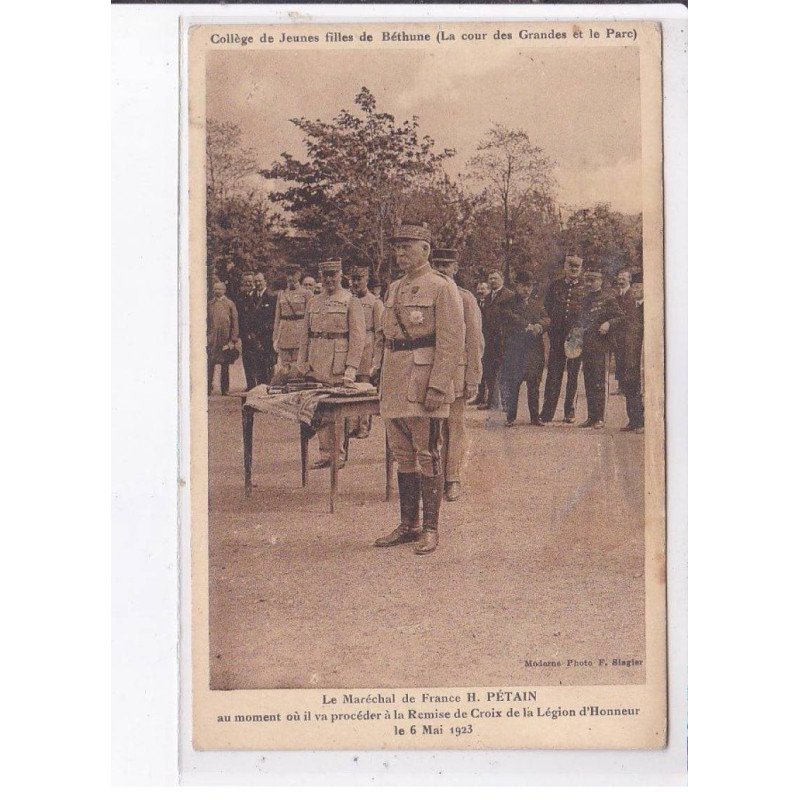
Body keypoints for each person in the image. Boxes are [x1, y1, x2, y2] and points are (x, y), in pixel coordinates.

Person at [375, 223, 464, 555]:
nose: (400, 253)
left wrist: (439, 385)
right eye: (397, 248)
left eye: (407, 247)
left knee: (427, 454)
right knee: (402, 456)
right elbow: (384, 337)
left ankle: (430, 529)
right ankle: (408, 524)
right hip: (395, 381)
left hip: (424, 381)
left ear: (426, 249)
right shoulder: (394, 288)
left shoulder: (442, 287)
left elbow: (451, 341)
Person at [296, 259, 366, 469]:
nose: (329, 280)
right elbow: (305, 335)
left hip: (338, 362)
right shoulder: (313, 302)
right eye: (325, 275)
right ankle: (326, 453)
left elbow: (358, 337)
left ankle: (338, 454)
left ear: (341, 275)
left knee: (336, 411)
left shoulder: (350, 300)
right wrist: (302, 362)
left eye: (333, 275)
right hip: (316, 361)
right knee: (318, 408)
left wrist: (351, 367)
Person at [431, 248, 484, 502]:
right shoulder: (427, 295)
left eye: (447, 265)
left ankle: (452, 478)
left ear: (455, 268)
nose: (442, 270)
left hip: (457, 373)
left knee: (455, 426)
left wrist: (473, 376)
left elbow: (474, 340)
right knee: (432, 427)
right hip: (430, 371)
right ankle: (433, 477)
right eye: (437, 265)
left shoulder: (464, 298)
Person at [573, 263, 623, 429]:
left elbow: (620, 317)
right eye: (587, 280)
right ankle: (591, 417)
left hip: (601, 346)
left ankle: (600, 418)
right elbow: (580, 321)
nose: (589, 283)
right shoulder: (585, 299)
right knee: (588, 381)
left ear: (600, 281)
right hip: (586, 346)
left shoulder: (608, 299)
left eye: (593, 280)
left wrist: (608, 323)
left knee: (599, 382)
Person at [499, 270, 551, 427]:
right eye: (523, 286)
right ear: (517, 286)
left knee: (534, 385)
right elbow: (509, 317)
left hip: (534, 351)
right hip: (515, 351)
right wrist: (527, 325)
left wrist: (539, 326)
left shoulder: (537, 304)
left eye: (529, 286)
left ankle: (535, 417)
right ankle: (510, 417)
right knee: (513, 384)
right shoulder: (507, 303)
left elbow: (547, 319)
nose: (526, 289)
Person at [540, 255, 585, 423]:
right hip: (557, 336)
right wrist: (551, 328)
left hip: (575, 338)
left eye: (577, 267)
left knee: (573, 375)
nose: (574, 269)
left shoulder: (584, 288)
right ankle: (547, 412)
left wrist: (580, 331)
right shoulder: (555, 286)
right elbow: (546, 308)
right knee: (553, 374)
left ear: (580, 269)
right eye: (571, 266)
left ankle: (569, 411)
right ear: (565, 267)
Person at [349, 266, 385, 439]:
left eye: (360, 279)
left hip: (367, 347)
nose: (356, 283)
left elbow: (380, 332)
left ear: (366, 280)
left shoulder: (375, 302)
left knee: (364, 387)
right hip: (351, 346)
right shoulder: (349, 300)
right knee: (350, 386)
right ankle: (352, 424)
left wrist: (376, 358)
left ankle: (364, 425)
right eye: (354, 279)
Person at [477, 270, 514, 410]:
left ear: (502, 279)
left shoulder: (509, 296)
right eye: (490, 278)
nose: (492, 281)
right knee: (489, 371)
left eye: (495, 278)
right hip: (489, 341)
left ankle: (506, 402)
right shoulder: (487, 298)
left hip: (504, 339)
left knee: (505, 371)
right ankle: (492, 402)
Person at [614, 269, 645, 432]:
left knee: (636, 384)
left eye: (640, 287)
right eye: (635, 287)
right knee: (628, 383)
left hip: (637, 350)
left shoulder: (646, 306)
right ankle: (633, 420)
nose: (637, 290)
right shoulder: (626, 301)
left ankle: (640, 421)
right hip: (625, 348)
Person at [273, 265, 313, 371]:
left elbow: (310, 317)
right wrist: (275, 337)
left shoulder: (306, 293)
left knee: (298, 366)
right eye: (288, 275)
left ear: (299, 275)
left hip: (299, 334)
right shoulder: (282, 294)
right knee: (284, 367)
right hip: (284, 334)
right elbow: (277, 317)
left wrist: (310, 336)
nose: (290, 278)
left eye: (293, 274)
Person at [207, 280, 239, 395]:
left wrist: (233, 340)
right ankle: (208, 388)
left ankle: (225, 389)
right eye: (215, 289)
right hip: (212, 340)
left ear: (224, 290)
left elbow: (235, 323)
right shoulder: (210, 304)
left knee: (225, 365)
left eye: (219, 289)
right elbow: (206, 322)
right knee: (210, 364)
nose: (217, 291)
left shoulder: (230, 304)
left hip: (225, 339)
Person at [235, 272, 263, 390]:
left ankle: (261, 385)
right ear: (242, 282)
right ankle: (250, 385)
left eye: (250, 281)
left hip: (258, 334)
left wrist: (255, 332)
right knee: (247, 360)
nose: (248, 284)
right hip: (245, 334)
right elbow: (239, 317)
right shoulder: (239, 297)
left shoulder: (258, 296)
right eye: (245, 281)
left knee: (259, 360)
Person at [253, 271, 277, 385]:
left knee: (269, 363)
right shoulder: (252, 296)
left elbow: (275, 316)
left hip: (268, 335)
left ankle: (269, 385)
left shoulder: (272, 297)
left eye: (260, 281)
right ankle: (260, 386)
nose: (258, 283)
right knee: (258, 363)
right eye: (256, 281)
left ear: (265, 282)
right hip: (256, 335)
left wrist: (269, 329)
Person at [469, 280, 491, 406]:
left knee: (489, 370)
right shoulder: (475, 303)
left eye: (483, 289)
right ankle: (480, 396)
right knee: (479, 366)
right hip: (478, 339)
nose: (481, 291)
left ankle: (490, 398)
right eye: (479, 289)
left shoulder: (490, 304)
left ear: (489, 290)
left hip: (489, 340)